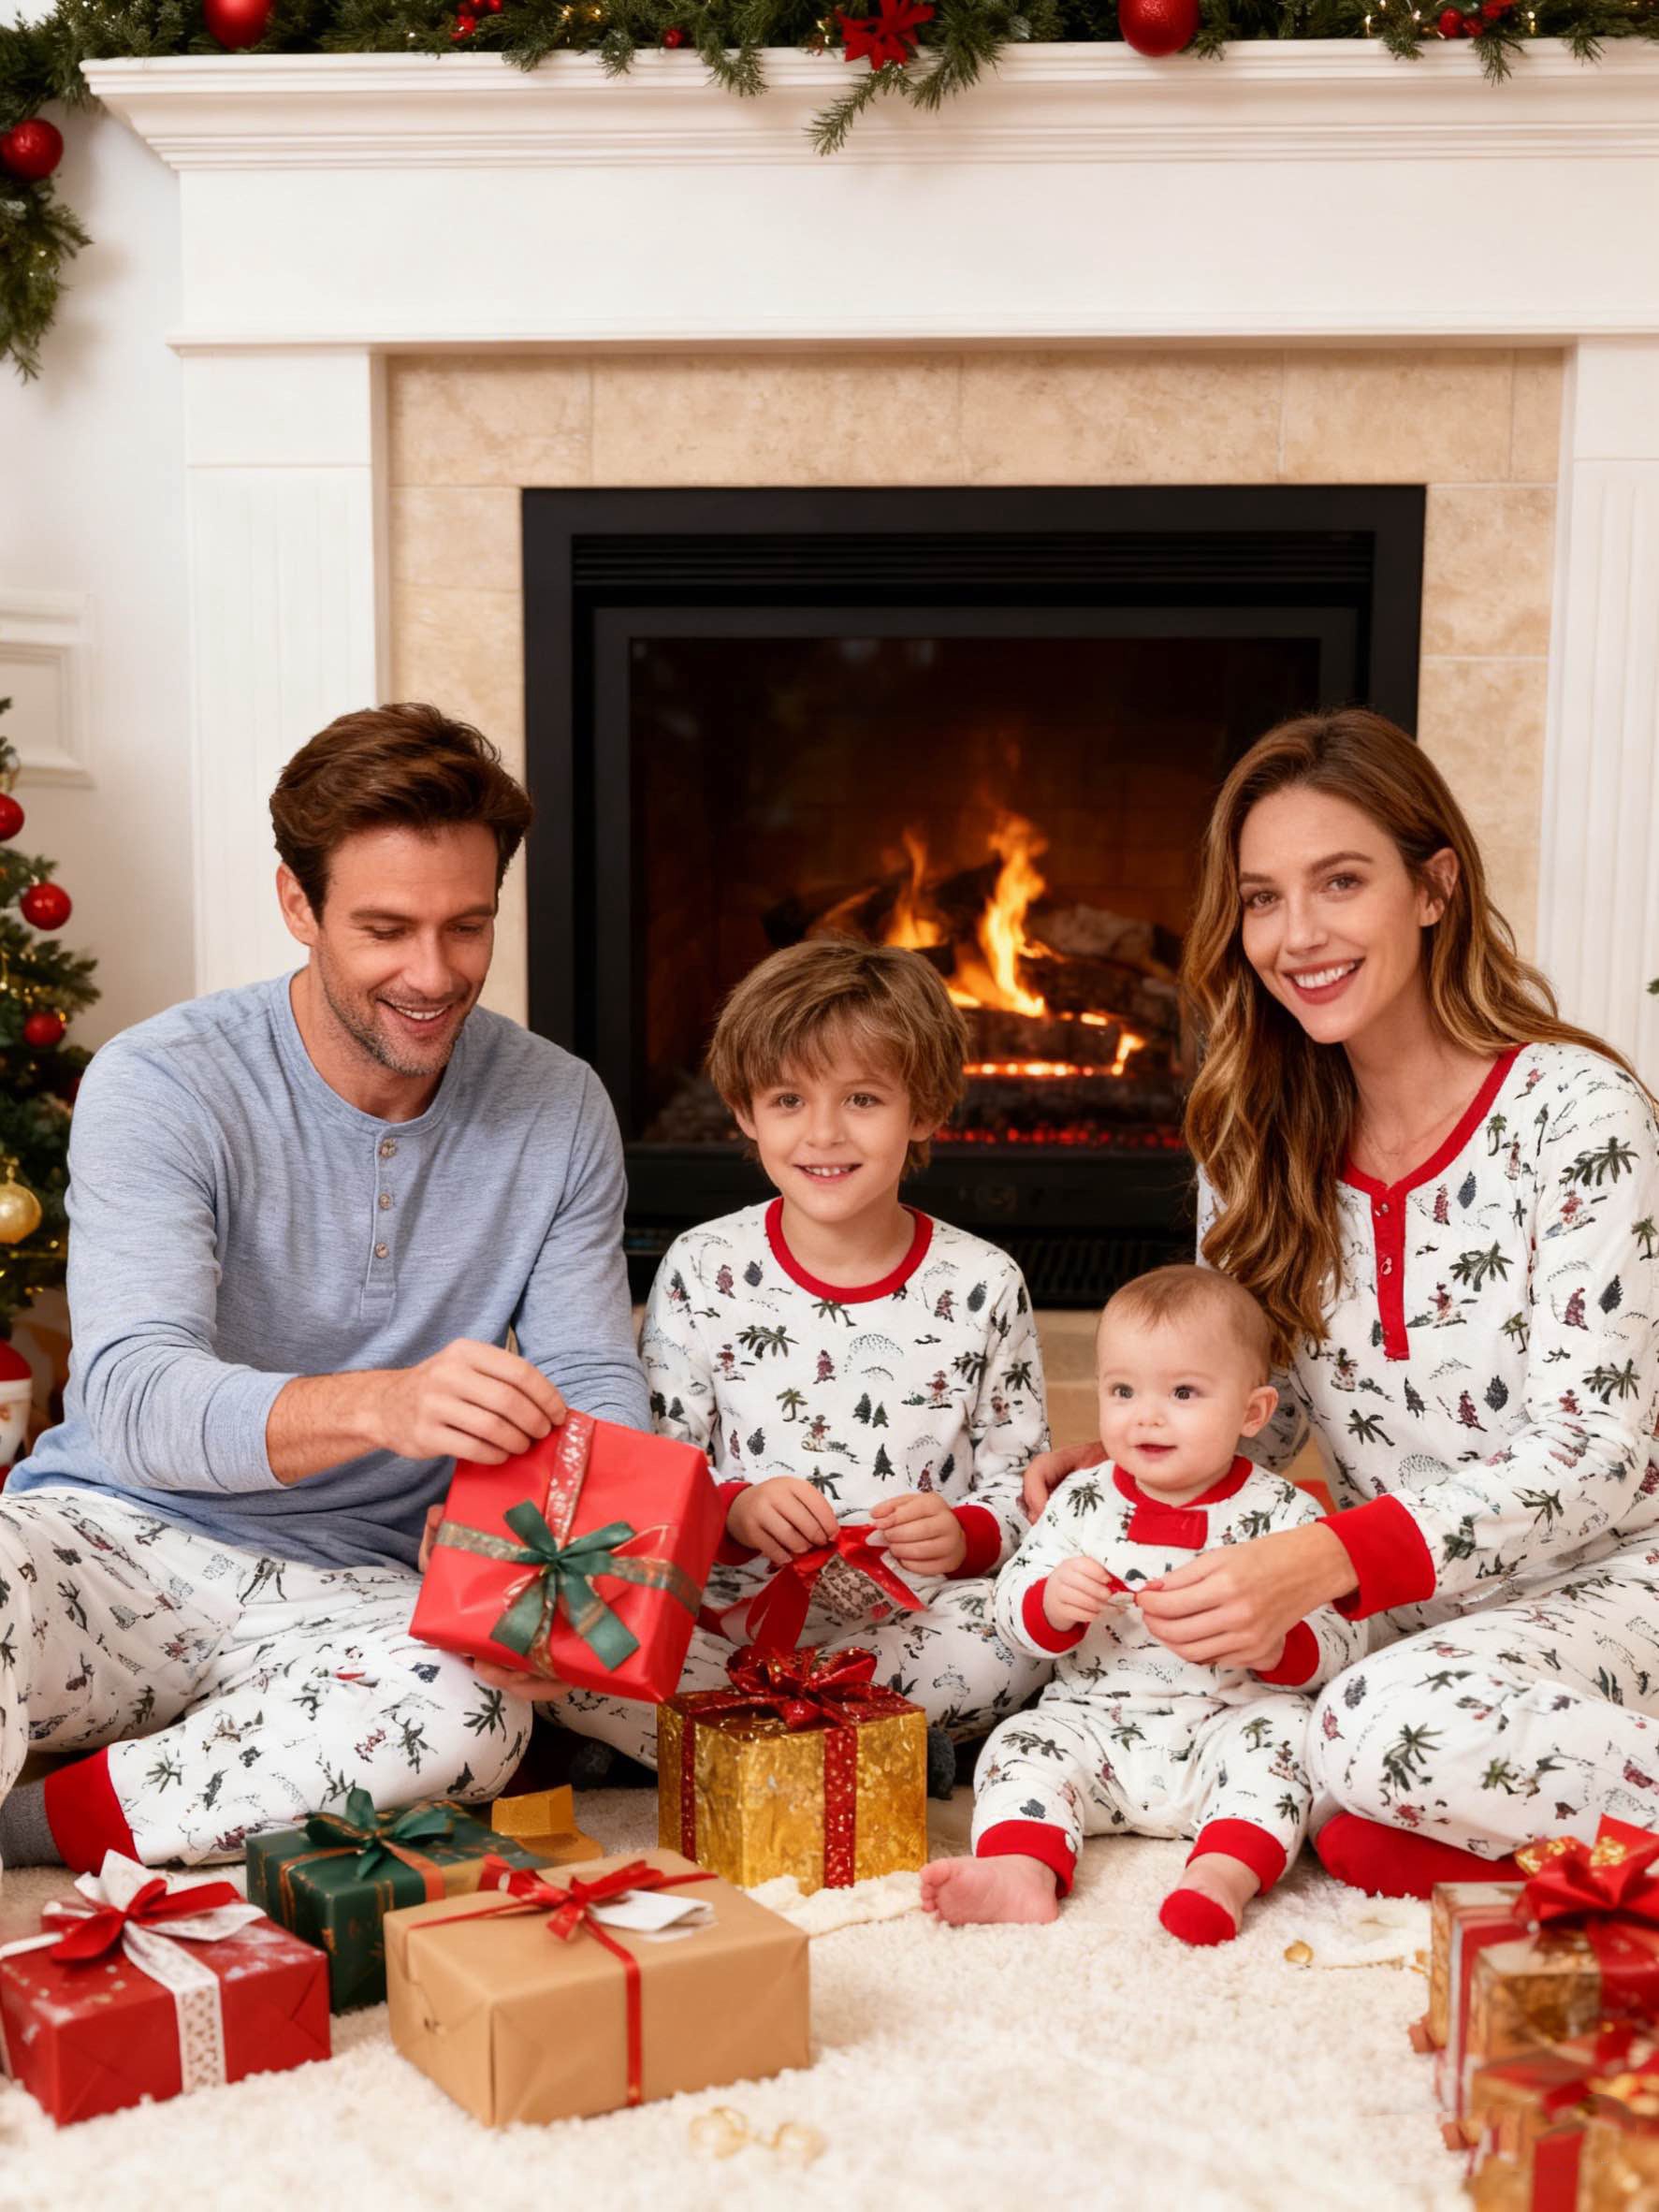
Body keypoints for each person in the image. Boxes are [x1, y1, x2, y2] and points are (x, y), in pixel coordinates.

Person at [0, 703, 648, 1872]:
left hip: (359, 1593)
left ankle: (36, 1829)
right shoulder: (163, 1082)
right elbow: (136, 1398)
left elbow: (594, 1380)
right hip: (110, 1536)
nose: (434, 974)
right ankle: (195, 1774)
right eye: (387, 928)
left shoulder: (559, 1105)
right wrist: (380, 1405)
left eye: (467, 927)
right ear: (297, 906)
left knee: (471, 1720)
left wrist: (539, 1571)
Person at [1024, 708, 1659, 1899]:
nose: (1297, 935)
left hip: (1615, 1582)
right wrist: (1150, 1446)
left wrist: (1320, 1554)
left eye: (1341, 882)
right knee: (1337, 1803)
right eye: (1262, 898)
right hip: (1406, 1608)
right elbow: (1264, 1412)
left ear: (1435, 887)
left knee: (1368, 1728)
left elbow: (1598, 1455)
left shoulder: (1578, 1113)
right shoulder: (1254, 1140)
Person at [555, 939, 1053, 1788]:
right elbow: (655, 1467)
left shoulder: (982, 1283)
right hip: (724, 1625)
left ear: (924, 1110)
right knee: (574, 1634)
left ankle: (721, 1744)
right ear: (746, 1111)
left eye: (862, 1098)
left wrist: (963, 1533)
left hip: (907, 1629)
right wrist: (736, 1507)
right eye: (788, 1099)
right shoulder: (702, 1266)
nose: (823, 1133)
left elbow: (1021, 1486)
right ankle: (874, 1747)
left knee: (1023, 1633)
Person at [923, 1264, 1361, 1943]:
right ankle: (1022, 1867)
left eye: (1183, 1392)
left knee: (1284, 1744)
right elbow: (1012, 1605)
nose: (1146, 1415)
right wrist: (1051, 1600)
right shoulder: (1083, 1499)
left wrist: (1278, 1645)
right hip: (1094, 1728)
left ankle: (1222, 1873)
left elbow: (1341, 1638)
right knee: (1021, 1743)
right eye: (1122, 1390)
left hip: (1225, 1724)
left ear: (1252, 1412)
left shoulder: (1284, 1514)